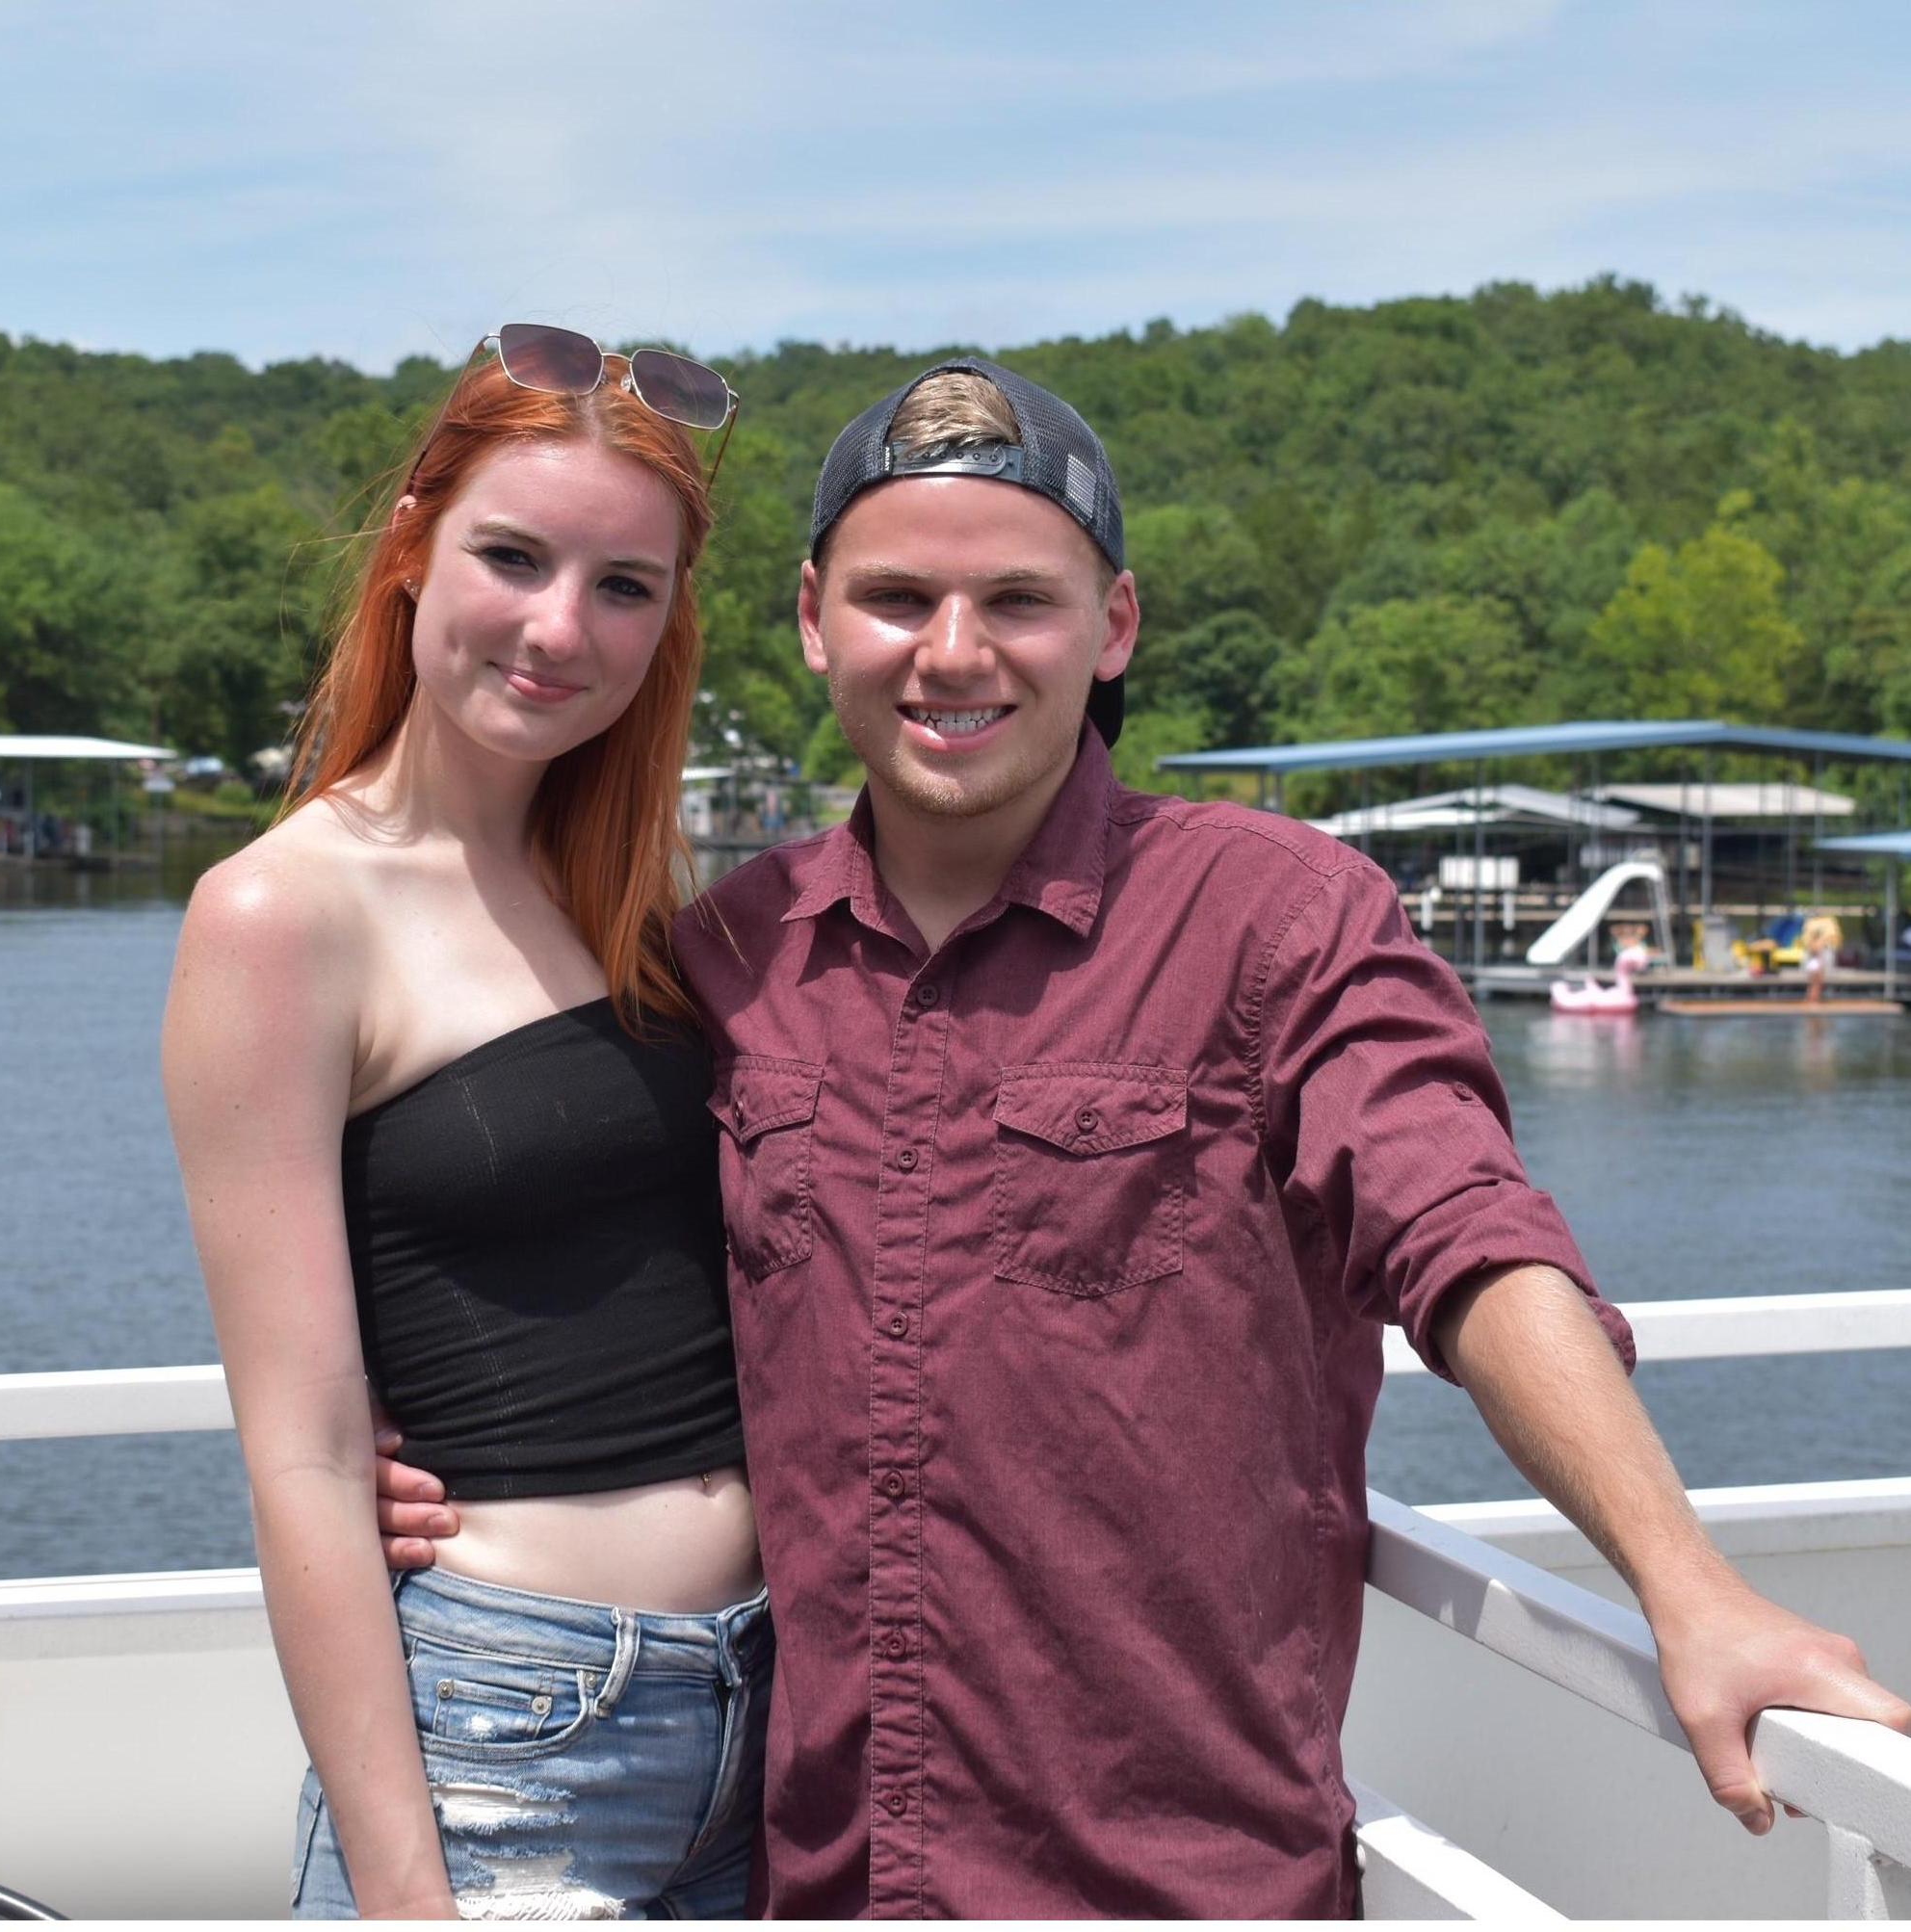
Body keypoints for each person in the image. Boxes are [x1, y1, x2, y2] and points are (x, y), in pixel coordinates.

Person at [378, 357, 1911, 1918]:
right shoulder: (729, 951)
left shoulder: (1279, 920)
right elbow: (588, 1235)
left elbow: (1467, 1239)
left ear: (1112, 624)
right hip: (826, 1876)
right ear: (813, 619)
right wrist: (404, 1432)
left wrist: (1687, 1587)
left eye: (1017, 602)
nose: (953, 653)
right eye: (897, 598)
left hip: (1178, 1883)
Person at [165, 326, 771, 1920]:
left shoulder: (636, 904)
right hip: (510, 1740)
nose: (560, 626)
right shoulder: (280, 915)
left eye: (624, 585)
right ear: (411, 546)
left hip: (768, 1715)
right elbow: (304, 1454)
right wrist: (402, 1891)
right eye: (513, 556)